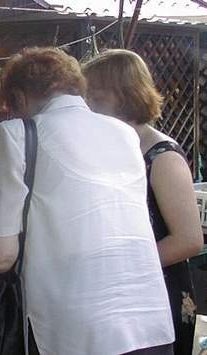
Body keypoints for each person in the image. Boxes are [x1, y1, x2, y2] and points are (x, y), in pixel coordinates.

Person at [0, 47, 175, 355]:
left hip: (73, 332)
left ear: (17, 97)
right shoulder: (125, 134)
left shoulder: (16, 133)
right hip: (149, 324)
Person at [82, 48, 204, 355]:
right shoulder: (107, 147)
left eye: (97, 97)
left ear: (125, 96)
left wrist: (124, 268)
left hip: (155, 293)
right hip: (119, 294)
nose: (89, 107)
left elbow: (189, 240)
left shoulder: (163, 157)